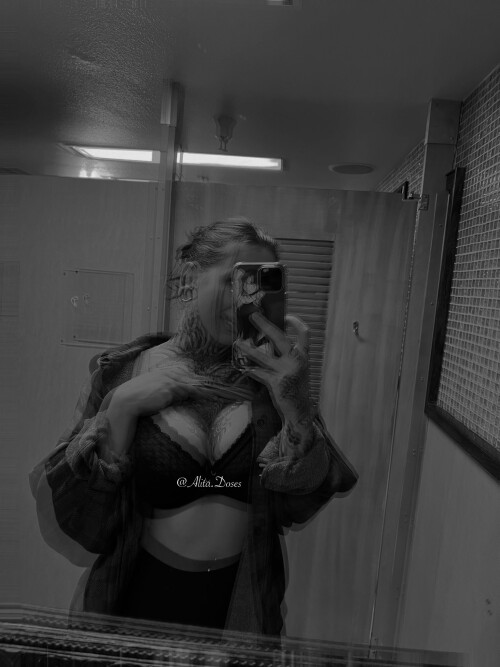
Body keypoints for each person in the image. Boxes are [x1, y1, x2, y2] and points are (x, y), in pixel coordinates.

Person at [30, 219, 357, 636]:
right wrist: (122, 407)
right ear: (190, 279)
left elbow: (301, 500)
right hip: (133, 600)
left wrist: (297, 407)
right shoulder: (124, 372)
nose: (246, 300)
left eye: (261, 285)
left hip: (240, 608)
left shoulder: (273, 381)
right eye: (234, 280)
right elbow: (78, 518)